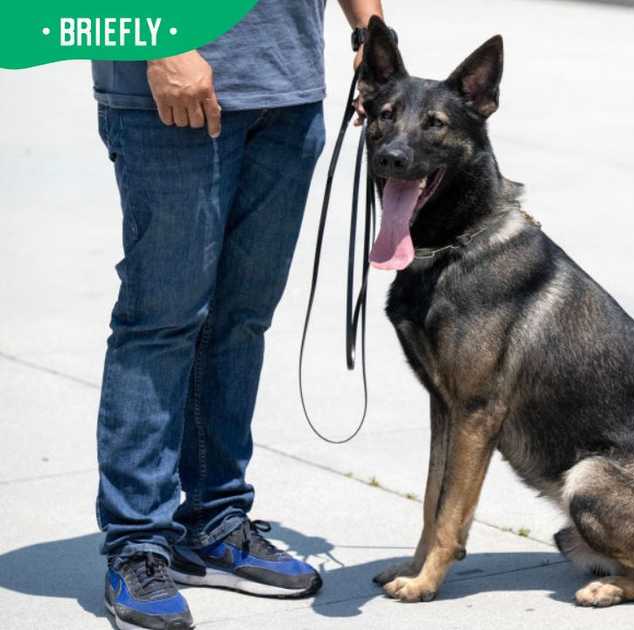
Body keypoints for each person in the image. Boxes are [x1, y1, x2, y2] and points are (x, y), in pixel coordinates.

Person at [92, 1, 384, 628]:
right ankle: (137, 544)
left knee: (240, 320)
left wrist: (370, 32)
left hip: (288, 93)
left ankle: (216, 522)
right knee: (161, 322)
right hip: (166, 89)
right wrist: (160, 45)